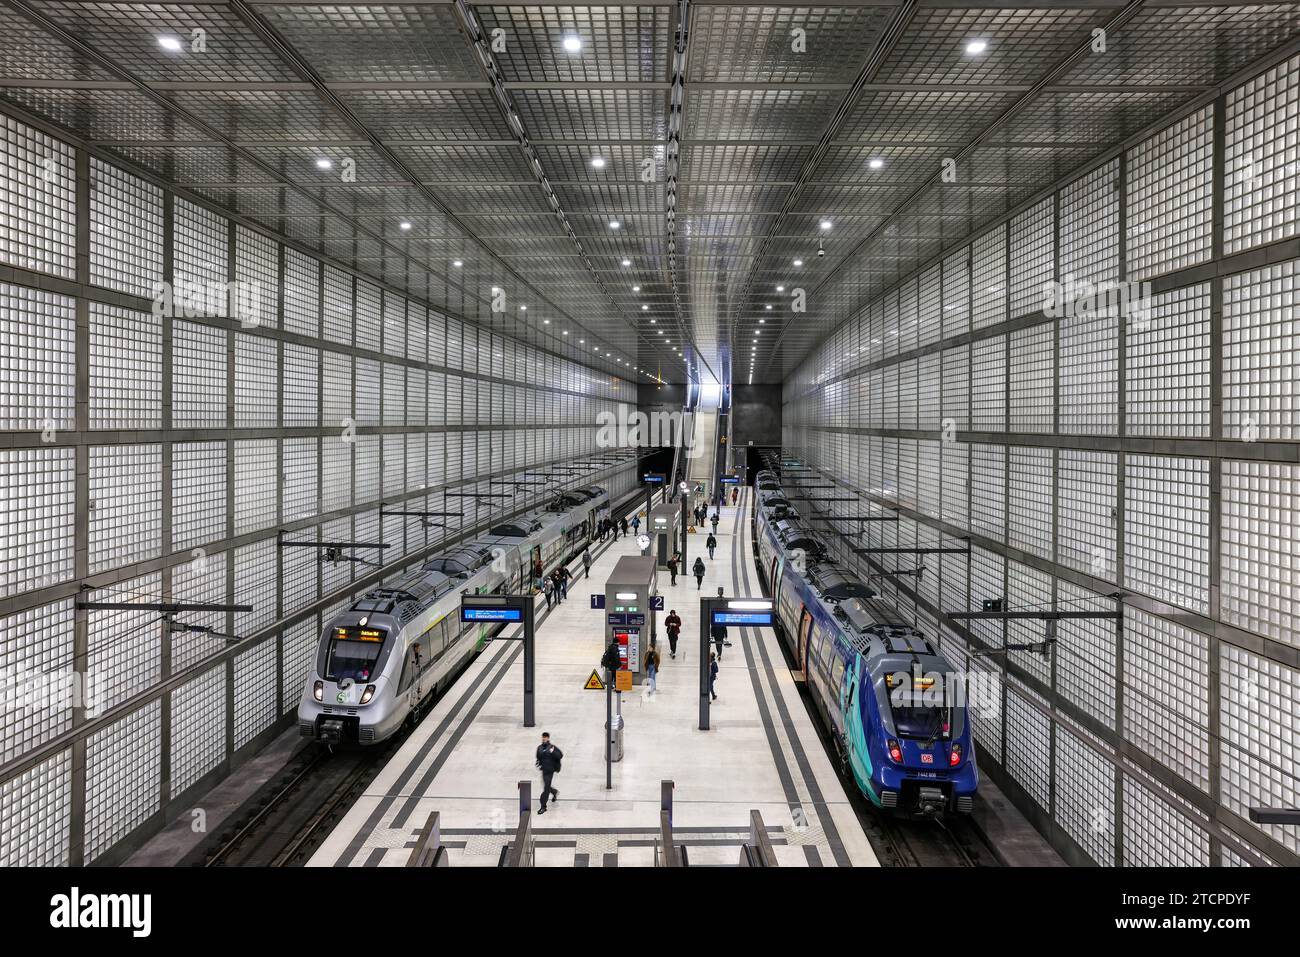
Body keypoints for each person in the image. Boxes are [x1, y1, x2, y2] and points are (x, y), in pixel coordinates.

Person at [535, 732, 563, 814]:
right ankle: (554, 792)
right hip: (544, 770)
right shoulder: (539, 748)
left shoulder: (552, 747)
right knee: (547, 786)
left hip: (550, 771)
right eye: (543, 737)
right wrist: (539, 764)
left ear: (548, 738)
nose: (544, 738)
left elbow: (560, 755)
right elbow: (538, 757)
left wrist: (553, 752)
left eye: (546, 737)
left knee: (546, 788)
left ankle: (543, 806)